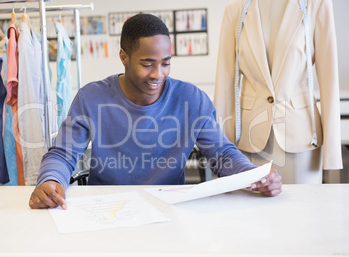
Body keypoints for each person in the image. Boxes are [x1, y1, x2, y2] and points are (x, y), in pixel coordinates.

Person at [29, 13, 282, 210]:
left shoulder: (192, 99)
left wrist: (253, 176)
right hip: (105, 208)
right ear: (124, 57)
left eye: (166, 63)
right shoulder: (91, 97)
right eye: (147, 63)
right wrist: (50, 181)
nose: (157, 74)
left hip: (168, 207)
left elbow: (222, 152)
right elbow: (63, 153)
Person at [213, 0, 342, 184]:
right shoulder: (235, 10)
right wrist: (223, 153)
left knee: (304, 211)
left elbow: (329, 80)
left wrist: (332, 153)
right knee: (253, 210)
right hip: (250, 140)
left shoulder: (316, 5)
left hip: (301, 140)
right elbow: (225, 83)